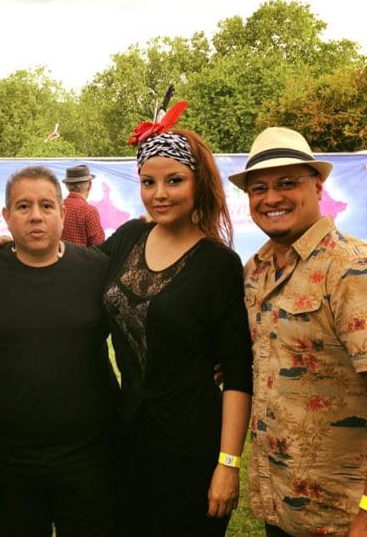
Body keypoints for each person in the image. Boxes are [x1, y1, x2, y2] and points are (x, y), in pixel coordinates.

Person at [228, 127, 367, 536]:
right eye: (259, 188)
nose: (272, 198)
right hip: (283, 506)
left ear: (318, 185)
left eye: (287, 183)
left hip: (349, 514)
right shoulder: (256, 271)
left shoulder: (357, 270)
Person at [99, 115, 253, 536]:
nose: (159, 194)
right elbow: (71, 269)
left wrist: (228, 465)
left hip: (191, 446)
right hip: (127, 438)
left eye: (174, 180)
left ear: (198, 183)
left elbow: (238, 372)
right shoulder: (128, 237)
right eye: (148, 182)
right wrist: (11, 245)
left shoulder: (218, 264)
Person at [0, 165, 119, 537]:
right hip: (8, 461)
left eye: (47, 206)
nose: (36, 215)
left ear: (63, 214)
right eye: (23, 206)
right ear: (5, 217)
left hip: (89, 458)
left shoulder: (97, 270)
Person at [61, 164, 105, 247]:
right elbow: (99, 245)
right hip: (83, 259)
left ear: (67, 185)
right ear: (90, 185)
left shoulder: (57, 207)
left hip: (59, 258)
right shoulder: (89, 211)